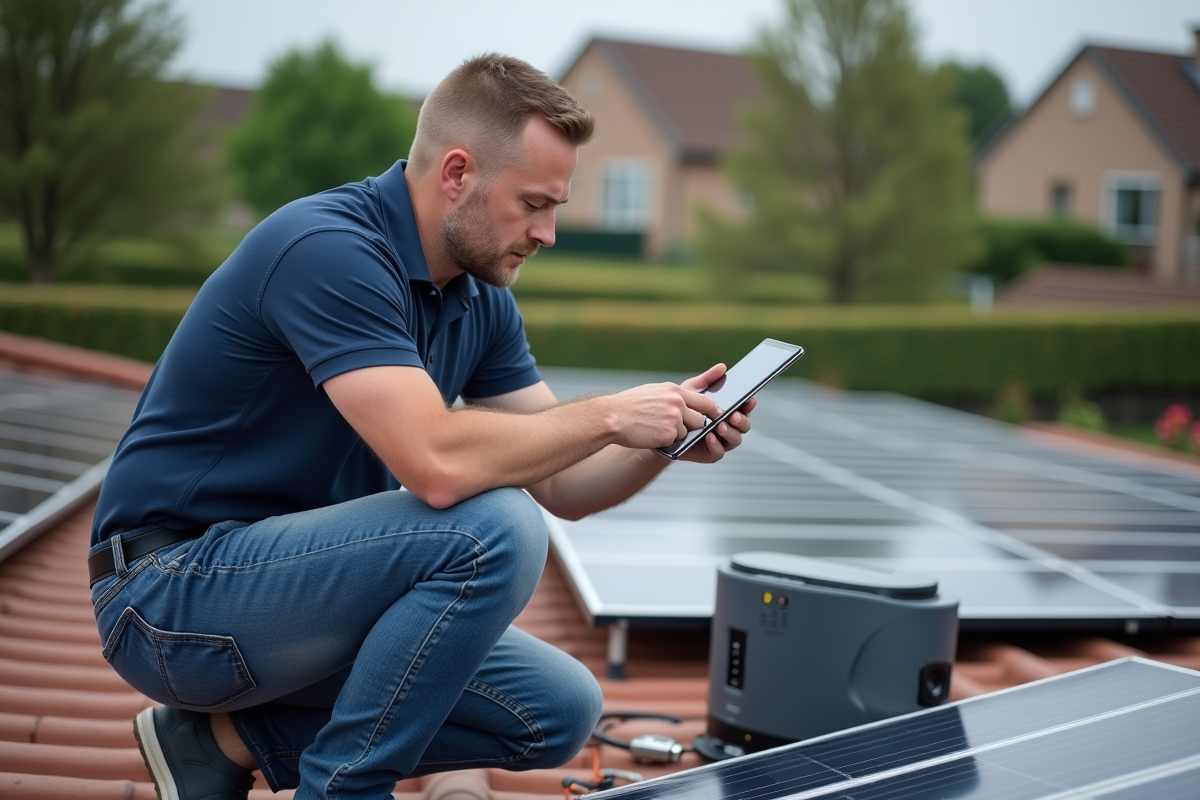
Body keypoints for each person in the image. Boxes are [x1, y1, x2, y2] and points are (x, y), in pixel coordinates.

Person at [87, 54, 755, 800]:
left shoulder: (480, 298)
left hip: (297, 606)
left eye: (556, 206)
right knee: (494, 523)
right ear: (457, 173)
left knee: (560, 710)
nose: (549, 232)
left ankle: (217, 742)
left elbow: (564, 483)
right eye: (535, 202)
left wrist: (661, 438)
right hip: (169, 598)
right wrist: (608, 412)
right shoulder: (329, 250)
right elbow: (437, 465)